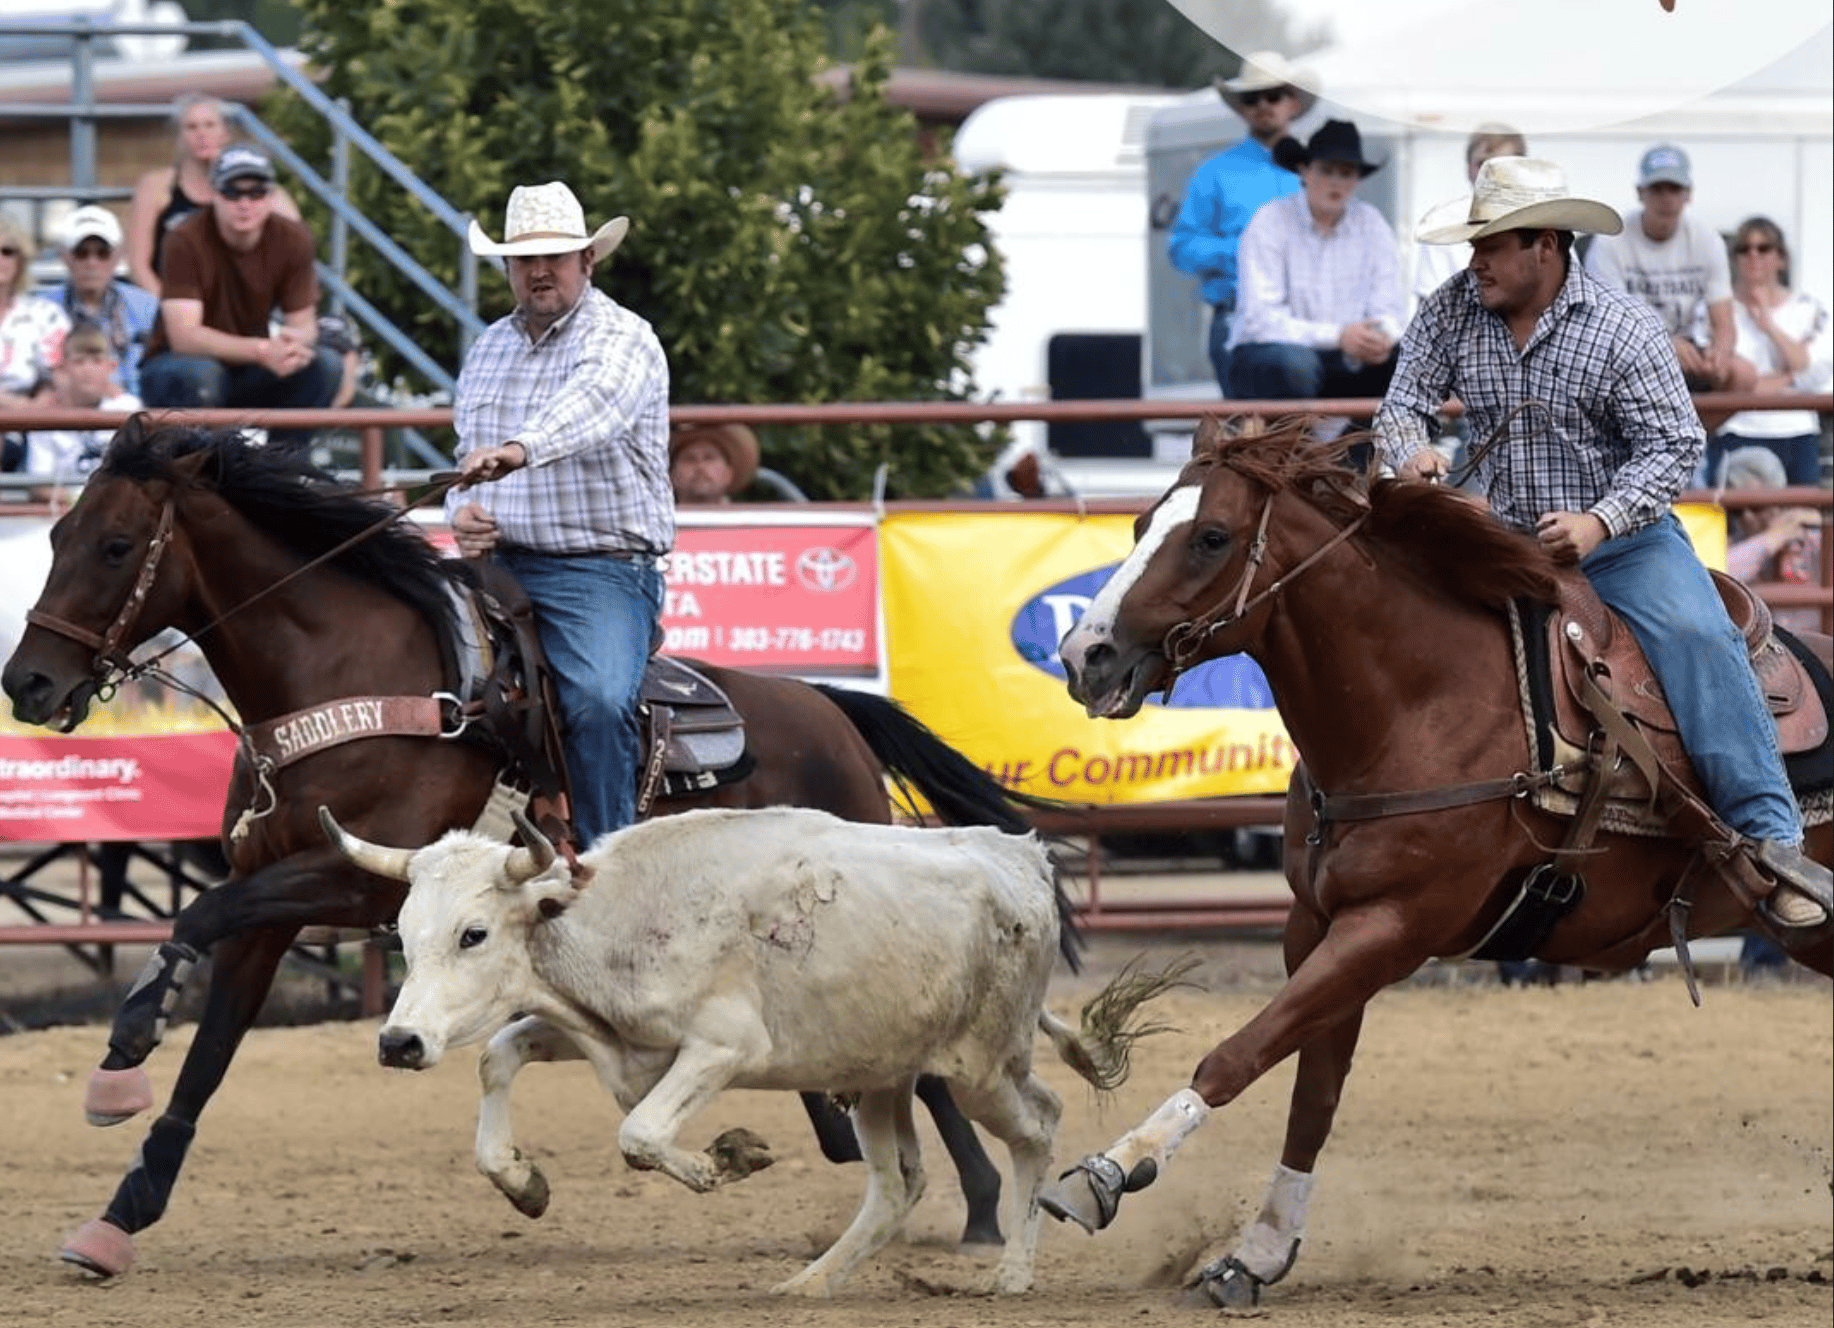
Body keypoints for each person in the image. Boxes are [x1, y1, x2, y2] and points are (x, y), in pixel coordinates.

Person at [1374, 155, 1829, 931]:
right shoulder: (1453, 308)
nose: (1474, 260)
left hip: (1624, 545)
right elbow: (1402, 402)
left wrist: (1600, 520)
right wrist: (1410, 449)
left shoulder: (1621, 326)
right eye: (1473, 244)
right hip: (1493, 536)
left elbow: (1674, 442)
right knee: (1385, 620)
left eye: (1492, 243)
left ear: (1545, 246)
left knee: (1695, 635)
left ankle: (1772, 841)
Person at [446, 180, 673, 845]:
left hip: (598, 570)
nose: (539, 271)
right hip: (496, 564)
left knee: (600, 704)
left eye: (556, 256)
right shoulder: (488, 349)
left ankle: (608, 864)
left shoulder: (624, 338)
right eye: (524, 259)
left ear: (587, 261)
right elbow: (467, 460)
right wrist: (465, 513)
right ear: (508, 268)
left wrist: (519, 450)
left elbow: (594, 407)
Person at [137, 144, 341, 455]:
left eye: (256, 192)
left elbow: (304, 325)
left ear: (270, 197)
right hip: (173, 368)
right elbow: (183, 337)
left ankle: (280, 475)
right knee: (202, 375)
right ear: (213, 195)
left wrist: (291, 346)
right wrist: (262, 351)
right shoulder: (183, 238)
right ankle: (200, 478)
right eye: (233, 192)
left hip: (245, 367)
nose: (244, 203)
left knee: (325, 366)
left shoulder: (293, 238)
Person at [1227, 118, 1404, 465]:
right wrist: (1340, 336)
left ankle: (1355, 468)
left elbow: (1391, 310)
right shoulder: (1269, 221)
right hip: (1268, 361)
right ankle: (1291, 462)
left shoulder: (1372, 224)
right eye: (1327, 170)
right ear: (1304, 170)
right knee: (1295, 364)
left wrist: (1378, 336)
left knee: (1400, 360)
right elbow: (1260, 321)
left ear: (1356, 180)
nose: (1336, 182)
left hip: (1342, 359)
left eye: (1346, 173)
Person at [1166, 50, 1317, 397]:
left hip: (1312, 320)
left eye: (1273, 95)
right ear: (1242, 109)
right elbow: (1182, 248)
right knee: (1251, 438)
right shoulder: (1214, 173)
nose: (1263, 105)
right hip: (1240, 317)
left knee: (1319, 436)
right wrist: (1246, 253)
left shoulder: (1319, 170)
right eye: (1252, 98)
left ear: (1292, 102)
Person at [1584, 144, 1738, 396]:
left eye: (1674, 189)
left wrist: (1720, 354)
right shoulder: (1610, 241)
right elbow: (1607, 324)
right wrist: (1664, 345)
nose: (1666, 198)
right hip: (1628, 354)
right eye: (1657, 189)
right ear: (1640, 193)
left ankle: (1696, 434)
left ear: (1688, 194)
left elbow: (1725, 323)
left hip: (1688, 352)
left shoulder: (1708, 240)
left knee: (1742, 374)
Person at [1696, 216, 1831, 488]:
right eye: (1743, 249)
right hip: (1737, 430)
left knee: (1802, 523)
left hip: (1797, 431)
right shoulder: (1713, 310)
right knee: (1738, 525)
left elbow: (1813, 371)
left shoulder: (1809, 309)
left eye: (1763, 248)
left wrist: (1768, 324)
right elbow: (1713, 371)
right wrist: (1787, 378)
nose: (1753, 255)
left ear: (1781, 258)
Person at [126, 92, 301, 297]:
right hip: (172, 302)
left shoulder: (254, 185)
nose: (201, 134)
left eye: (210, 125)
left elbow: (296, 245)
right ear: (180, 137)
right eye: (191, 127)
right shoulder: (157, 186)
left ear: (225, 133)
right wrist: (170, 307)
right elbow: (138, 265)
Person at [43, 204, 160, 398]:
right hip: (60, 406)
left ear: (117, 256)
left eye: (102, 253)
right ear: (65, 257)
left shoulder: (148, 308)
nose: (92, 262)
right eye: (81, 253)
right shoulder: (39, 309)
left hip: (131, 407)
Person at [1412, 124, 1529, 310]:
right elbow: (1428, 309)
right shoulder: (1442, 224)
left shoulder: (1547, 224)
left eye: (1504, 165)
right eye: (1483, 164)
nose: (1493, 175)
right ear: (1469, 170)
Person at [1721, 445, 1824, 637]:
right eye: (1737, 511)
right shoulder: (1738, 545)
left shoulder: (1809, 532)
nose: (1747, 518)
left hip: (1816, 646)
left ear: (1779, 498)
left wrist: (1820, 520)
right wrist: (1770, 539)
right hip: (1764, 648)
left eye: (1756, 507)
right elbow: (1721, 575)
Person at [22, 323, 140, 484]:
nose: (88, 369)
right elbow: (39, 485)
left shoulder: (128, 408)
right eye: (79, 361)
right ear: (63, 368)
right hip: (65, 506)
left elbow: (141, 476)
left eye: (97, 361)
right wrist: (79, 500)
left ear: (111, 367)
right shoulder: (45, 420)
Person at [1, 214, 71, 472]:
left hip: (33, 420)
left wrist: (30, 410)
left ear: (21, 261)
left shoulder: (45, 314)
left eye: (7, 251)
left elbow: (60, 377)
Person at [669, 421, 758, 504]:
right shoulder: (657, 519)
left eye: (709, 458)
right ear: (674, 473)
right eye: (690, 459)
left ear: (729, 473)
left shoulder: (747, 519)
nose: (700, 466)